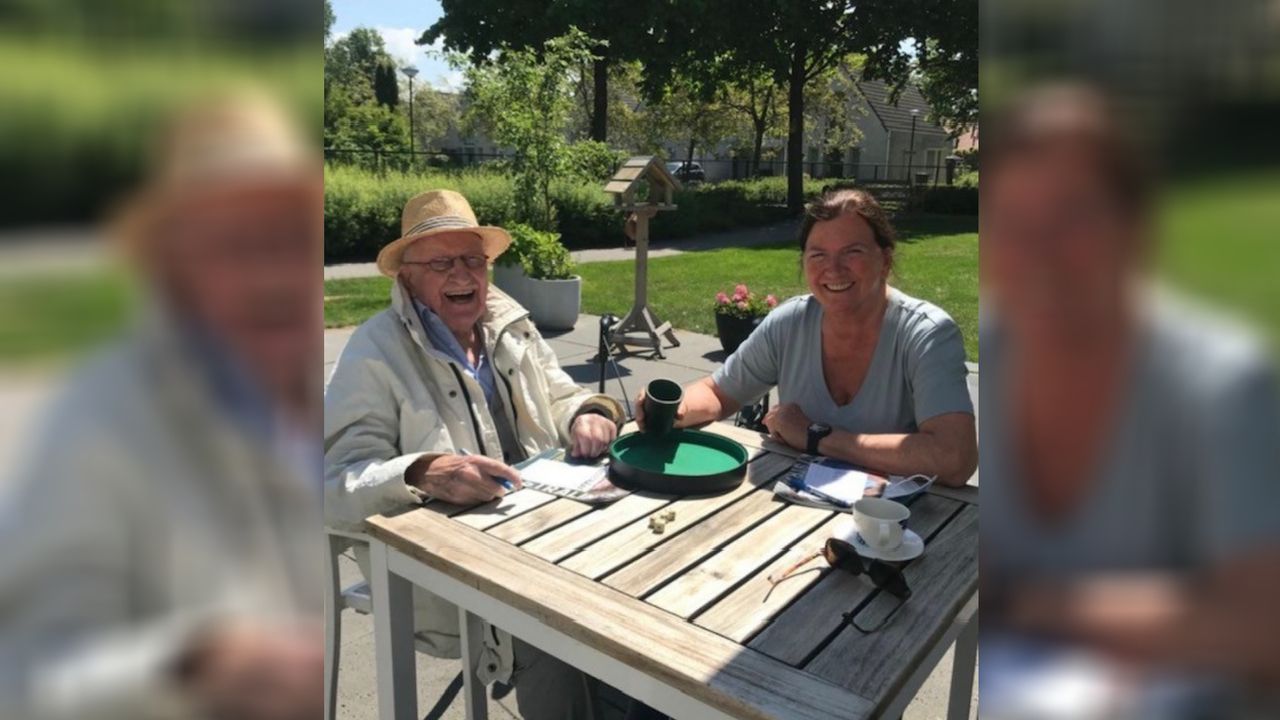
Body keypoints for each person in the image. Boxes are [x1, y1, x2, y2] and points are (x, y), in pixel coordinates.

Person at [0, 92, 323, 720]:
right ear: (175, 263)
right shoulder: (99, 419)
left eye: (291, 238)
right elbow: (24, 670)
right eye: (236, 245)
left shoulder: (309, 380)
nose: (275, 277)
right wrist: (188, 662)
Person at [981, 83, 1280, 717]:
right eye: (1011, 222)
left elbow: (1262, 623)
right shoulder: (1002, 350)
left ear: (1136, 227)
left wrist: (1026, 601)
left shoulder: (1222, 383)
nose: (1037, 250)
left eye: (1071, 214)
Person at [323, 189, 625, 720]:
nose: (462, 275)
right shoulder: (375, 352)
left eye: (472, 260)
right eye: (441, 262)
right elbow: (333, 486)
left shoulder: (508, 323)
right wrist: (419, 472)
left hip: (547, 525)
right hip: (448, 572)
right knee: (555, 624)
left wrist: (589, 412)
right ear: (406, 278)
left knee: (637, 588)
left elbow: (558, 395)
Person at [635, 188, 977, 487]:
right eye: (818, 255)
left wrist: (816, 437)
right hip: (794, 509)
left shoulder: (927, 334)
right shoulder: (790, 322)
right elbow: (717, 393)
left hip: (900, 529)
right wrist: (673, 408)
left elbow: (954, 459)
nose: (833, 268)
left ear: (885, 260)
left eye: (852, 252)